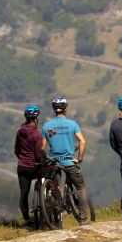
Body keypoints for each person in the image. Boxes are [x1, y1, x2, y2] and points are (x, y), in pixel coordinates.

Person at [40, 96, 91, 224]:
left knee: (55, 186)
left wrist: (46, 159)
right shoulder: (72, 124)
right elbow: (83, 142)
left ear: (54, 110)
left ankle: (57, 210)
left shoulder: (47, 126)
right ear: (65, 109)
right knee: (80, 187)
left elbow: (42, 148)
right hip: (69, 161)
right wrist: (79, 158)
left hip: (54, 162)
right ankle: (83, 216)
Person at [14, 104, 44, 228]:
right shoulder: (36, 135)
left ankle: (26, 221)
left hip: (22, 167)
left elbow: (17, 150)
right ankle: (46, 203)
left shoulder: (20, 132)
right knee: (49, 174)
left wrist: (22, 159)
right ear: (36, 119)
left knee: (24, 193)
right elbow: (38, 154)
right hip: (34, 167)